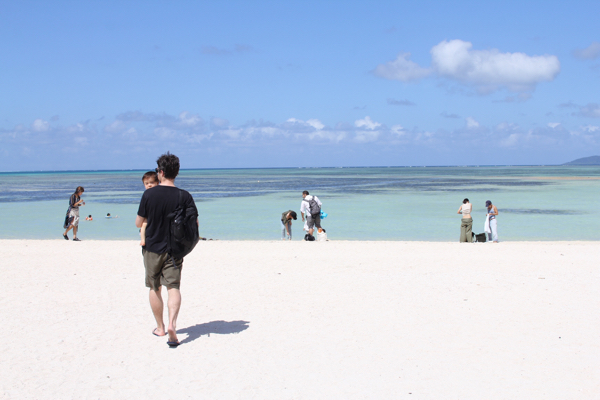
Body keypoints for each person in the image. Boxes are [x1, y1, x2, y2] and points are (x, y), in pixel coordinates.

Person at [135, 152, 198, 348]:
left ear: (161, 172)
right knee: (174, 288)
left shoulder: (148, 194)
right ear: (176, 172)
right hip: (175, 250)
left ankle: (161, 327)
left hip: (152, 247)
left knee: (155, 287)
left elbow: (139, 222)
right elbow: (194, 223)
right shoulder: (184, 195)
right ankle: (173, 324)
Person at [140, 171, 159, 246]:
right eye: (146, 183)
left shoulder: (156, 193)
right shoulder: (146, 195)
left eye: (152, 183)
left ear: (157, 182)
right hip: (148, 215)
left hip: (155, 214)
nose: (149, 185)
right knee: (144, 225)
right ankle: (143, 240)